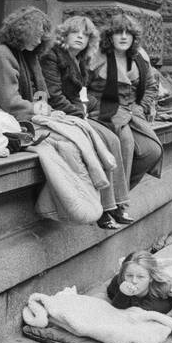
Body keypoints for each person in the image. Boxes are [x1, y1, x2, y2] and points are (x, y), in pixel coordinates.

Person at [38, 16, 133, 226]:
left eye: (86, 34)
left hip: (73, 113)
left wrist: (84, 110)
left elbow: (76, 95)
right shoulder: (52, 56)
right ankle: (105, 210)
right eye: (75, 32)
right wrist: (80, 115)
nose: (81, 37)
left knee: (114, 140)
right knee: (100, 142)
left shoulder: (79, 60)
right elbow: (54, 95)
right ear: (64, 34)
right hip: (56, 114)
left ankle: (119, 204)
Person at [22, 287, 172, 343]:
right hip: (126, 313)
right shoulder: (122, 285)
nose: (133, 281)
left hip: (159, 312)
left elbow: (163, 315)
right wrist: (124, 294)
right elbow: (114, 306)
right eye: (130, 277)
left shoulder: (162, 299)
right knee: (89, 316)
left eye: (139, 278)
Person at [97, 11, 163, 189]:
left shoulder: (139, 57)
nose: (124, 37)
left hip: (134, 111)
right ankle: (117, 203)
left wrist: (141, 106)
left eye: (129, 33)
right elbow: (87, 87)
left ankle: (122, 192)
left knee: (152, 151)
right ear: (110, 36)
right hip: (107, 111)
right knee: (125, 145)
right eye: (119, 32)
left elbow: (151, 86)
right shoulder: (98, 56)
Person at [0, 7, 54, 129]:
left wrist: (49, 111)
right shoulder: (1, 53)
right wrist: (45, 111)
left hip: (23, 116)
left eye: (41, 37)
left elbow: (40, 95)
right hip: (0, 118)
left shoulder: (29, 55)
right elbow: (10, 102)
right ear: (23, 32)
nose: (38, 41)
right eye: (36, 36)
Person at [107, 251, 172, 318]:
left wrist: (123, 296)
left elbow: (131, 317)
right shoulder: (118, 281)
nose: (134, 281)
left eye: (140, 277)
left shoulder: (159, 302)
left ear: (151, 278)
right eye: (129, 275)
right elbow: (113, 302)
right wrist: (123, 293)